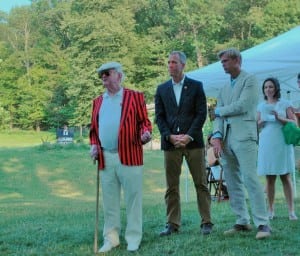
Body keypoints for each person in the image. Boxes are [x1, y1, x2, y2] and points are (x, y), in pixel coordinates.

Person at [89, 61, 152, 253]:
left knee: (133, 199)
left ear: (118, 75)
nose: (103, 78)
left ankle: (133, 238)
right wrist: (93, 146)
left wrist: (146, 134)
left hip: (130, 155)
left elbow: (145, 123)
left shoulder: (134, 97)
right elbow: (94, 130)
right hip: (106, 157)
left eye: (107, 73)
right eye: (101, 75)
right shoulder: (98, 101)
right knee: (109, 201)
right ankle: (111, 238)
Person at [209, 48, 271, 239]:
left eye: (226, 61)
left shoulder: (250, 80)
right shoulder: (224, 88)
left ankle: (263, 223)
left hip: (245, 137)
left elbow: (243, 105)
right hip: (226, 139)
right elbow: (216, 118)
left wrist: (219, 111)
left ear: (237, 60)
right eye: (222, 62)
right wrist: (217, 136)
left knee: (250, 179)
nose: (223, 64)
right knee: (232, 181)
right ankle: (242, 220)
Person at [155, 51, 213, 236]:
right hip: (171, 145)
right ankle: (172, 223)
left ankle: (207, 222)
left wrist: (189, 135)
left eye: (174, 62)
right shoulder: (162, 89)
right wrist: (169, 136)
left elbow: (201, 114)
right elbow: (160, 117)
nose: (170, 65)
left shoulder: (196, 86)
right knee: (172, 186)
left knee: (201, 183)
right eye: (169, 62)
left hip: (193, 143)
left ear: (183, 65)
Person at [257, 77, 298, 221]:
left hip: (281, 141)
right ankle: (270, 210)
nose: (268, 89)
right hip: (267, 141)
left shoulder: (285, 103)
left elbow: (294, 121)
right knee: (270, 178)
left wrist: (279, 117)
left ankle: (291, 211)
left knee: (285, 176)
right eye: (266, 87)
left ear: (276, 88)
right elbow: (258, 124)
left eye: (271, 87)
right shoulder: (261, 106)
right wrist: (263, 120)